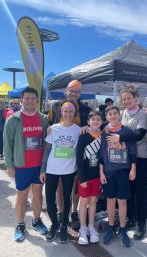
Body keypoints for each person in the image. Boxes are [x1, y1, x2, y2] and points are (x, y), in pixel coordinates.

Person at [3, 86, 49, 242]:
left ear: (37, 101)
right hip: (21, 165)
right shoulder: (13, 119)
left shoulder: (43, 118)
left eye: (33, 98)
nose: (30, 101)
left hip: (39, 166)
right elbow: (7, 144)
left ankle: (36, 220)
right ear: (21, 100)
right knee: (21, 195)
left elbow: (47, 141)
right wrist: (9, 165)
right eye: (27, 98)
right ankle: (20, 224)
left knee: (37, 193)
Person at [107, 86, 147, 239]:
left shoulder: (142, 114)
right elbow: (109, 126)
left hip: (141, 158)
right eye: (124, 99)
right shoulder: (122, 114)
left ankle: (142, 222)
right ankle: (131, 217)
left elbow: (139, 134)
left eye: (129, 98)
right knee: (128, 191)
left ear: (136, 98)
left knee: (141, 190)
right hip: (125, 159)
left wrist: (121, 138)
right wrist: (88, 127)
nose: (126, 101)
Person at [47, 79, 91, 228]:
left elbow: (92, 127)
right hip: (60, 154)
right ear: (66, 91)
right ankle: (60, 211)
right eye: (71, 90)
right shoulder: (55, 106)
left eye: (76, 91)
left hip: (79, 153)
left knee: (76, 184)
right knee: (60, 184)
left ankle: (73, 211)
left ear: (80, 93)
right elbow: (49, 124)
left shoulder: (85, 108)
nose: (73, 93)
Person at [40, 100, 80, 243]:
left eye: (71, 111)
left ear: (74, 113)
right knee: (50, 198)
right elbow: (47, 150)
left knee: (67, 198)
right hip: (52, 169)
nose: (68, 113)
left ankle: (63, 226)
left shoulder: (78, 130)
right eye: (65, 110)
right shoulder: (54, 128)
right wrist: (43, 170)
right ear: (61, 112)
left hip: (69, 170)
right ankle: (55, 224)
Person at [99, 106, 137, 248]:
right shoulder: (104, 132)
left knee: (122, 201)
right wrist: (101, 172)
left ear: (119, 115)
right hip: (108, 172)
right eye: (110, 114)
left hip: (123, 171)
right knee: (110, 200)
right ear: (106, 117)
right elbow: (102, 154)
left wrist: (133, 168)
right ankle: (110, 226)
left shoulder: (126, 131)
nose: (113, 116)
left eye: (115, 113)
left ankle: (122, 228)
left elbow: (133, 151)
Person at [76, 111, 102, 245]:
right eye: (93, 120)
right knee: (84, 202)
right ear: (88, 122)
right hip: (85, 177)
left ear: (102, 122)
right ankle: (82, 227)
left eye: (98, 119)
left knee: (93, 201)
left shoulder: (103, 136)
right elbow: (79, 159)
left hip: (97, 176)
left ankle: (91, 226)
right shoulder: (83, 136)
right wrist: (82, 177)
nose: (96, 122)